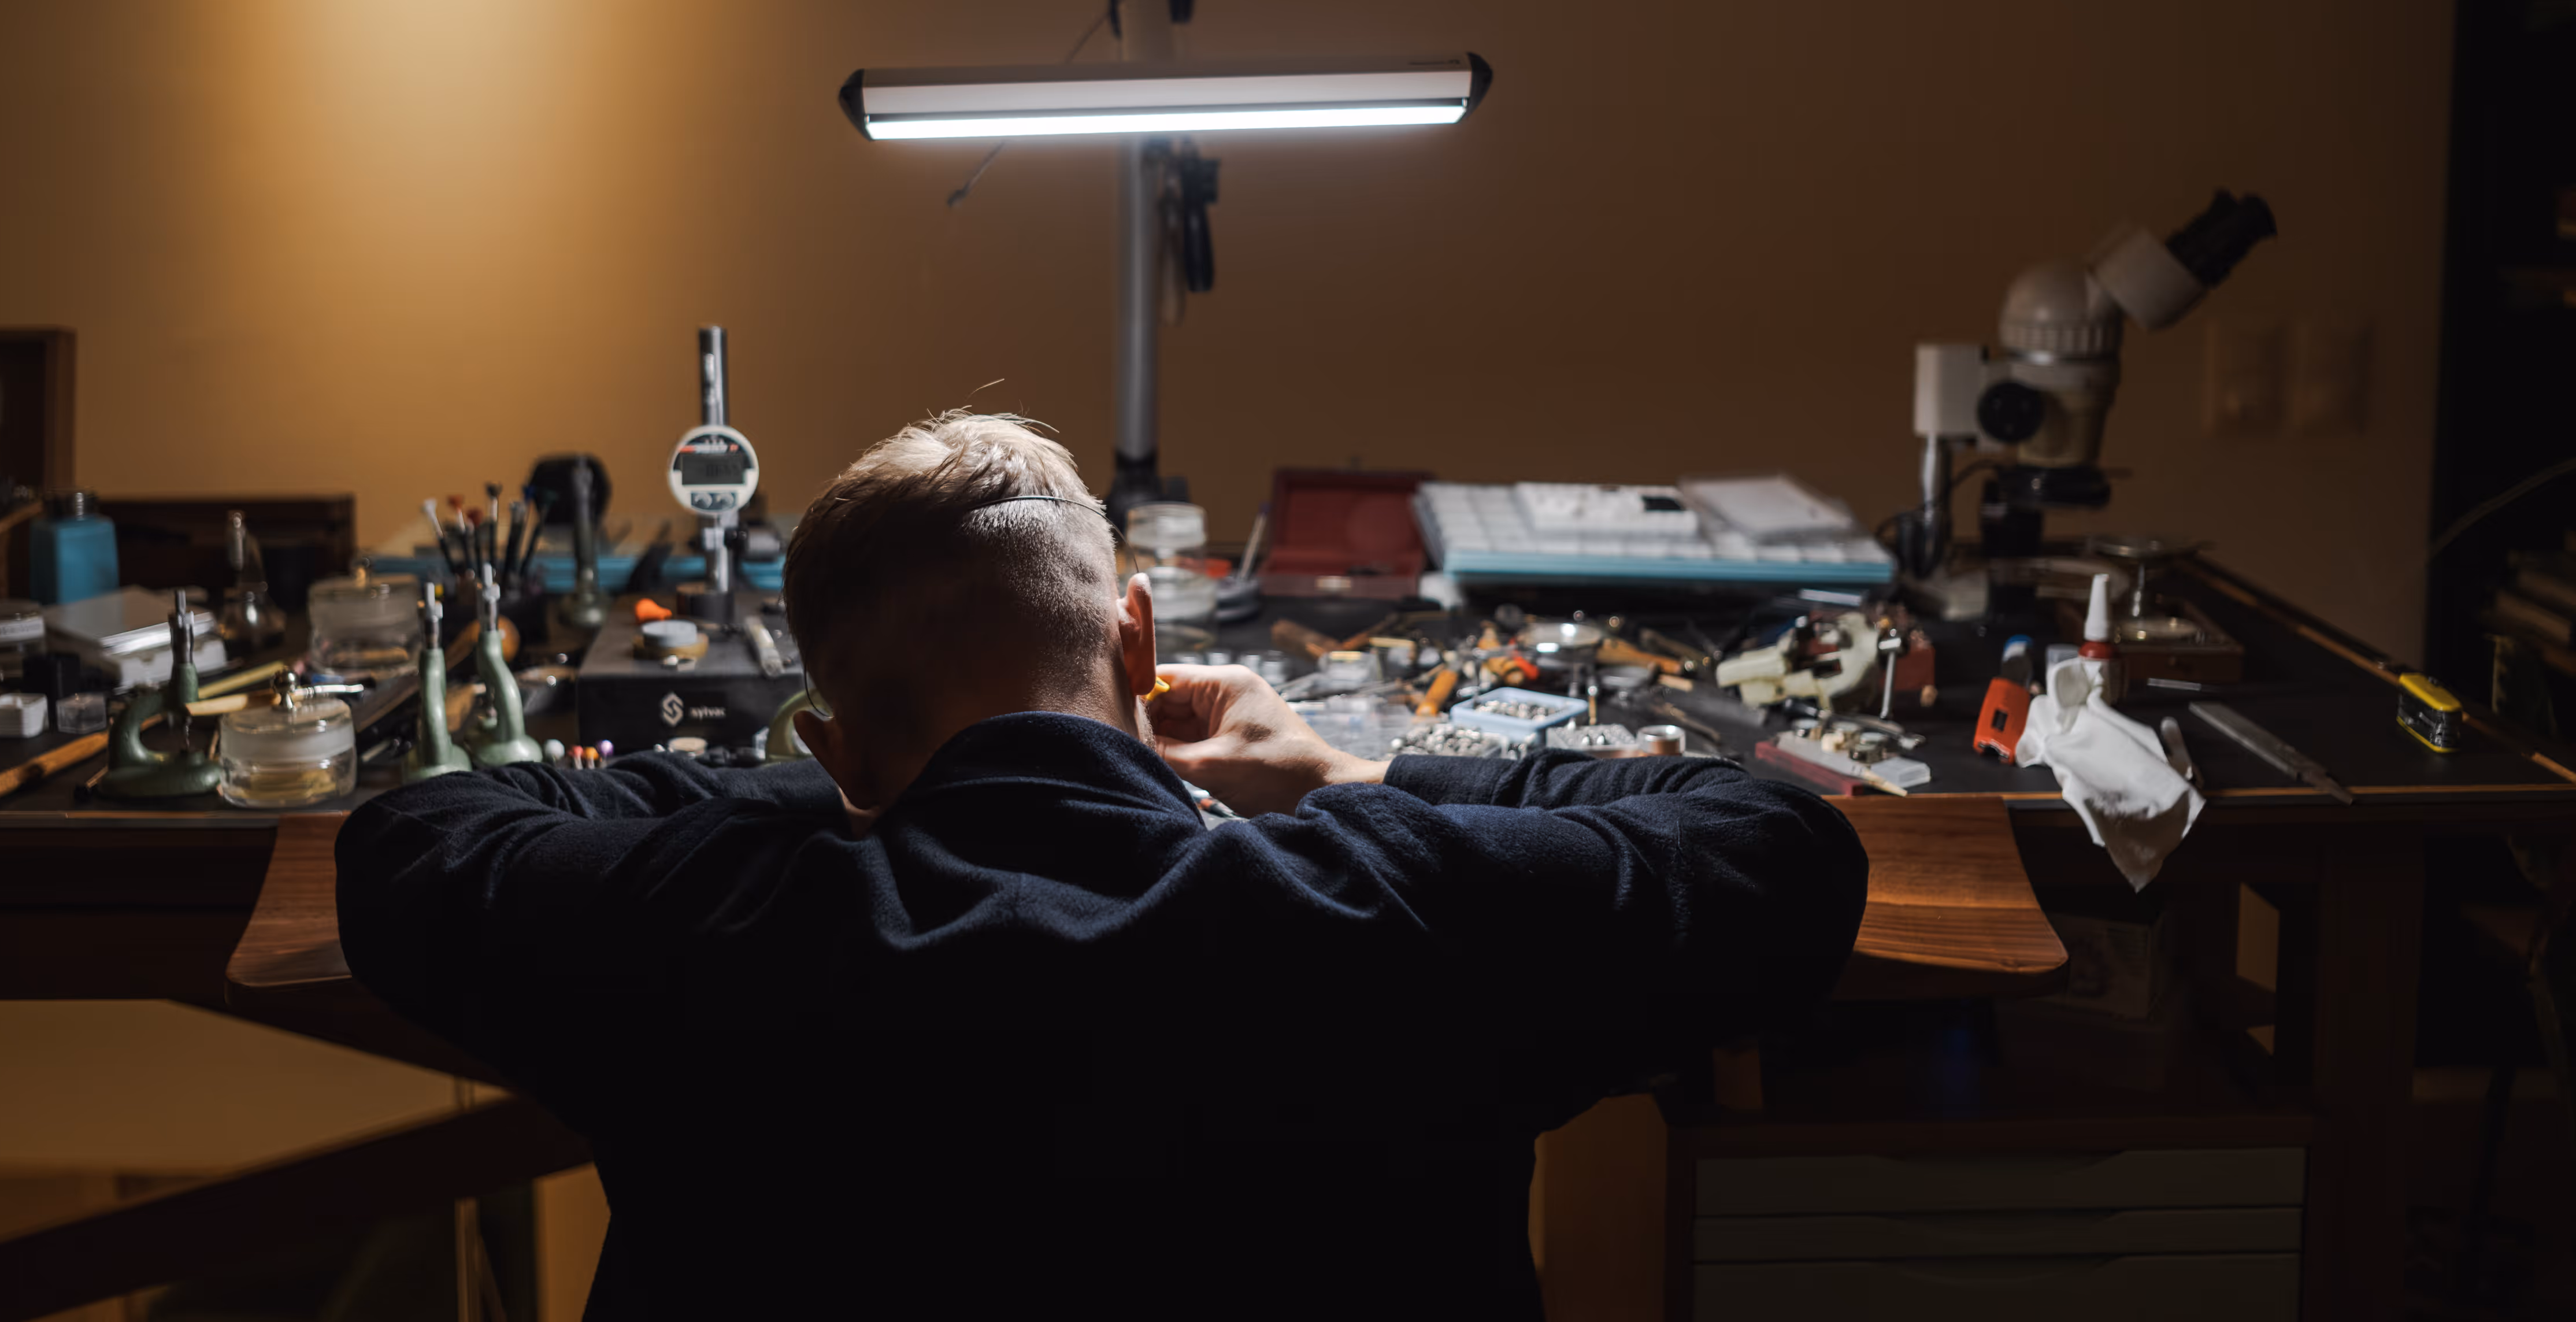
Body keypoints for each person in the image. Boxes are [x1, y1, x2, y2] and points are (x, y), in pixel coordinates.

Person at [339, 414, 1869, 1319]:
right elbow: (1778, 848)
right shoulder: (1395, 907)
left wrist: (822, 795)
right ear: (1139, 639)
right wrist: (1364, 770)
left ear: (839, 742)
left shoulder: (717, 927)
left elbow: (417, 842)